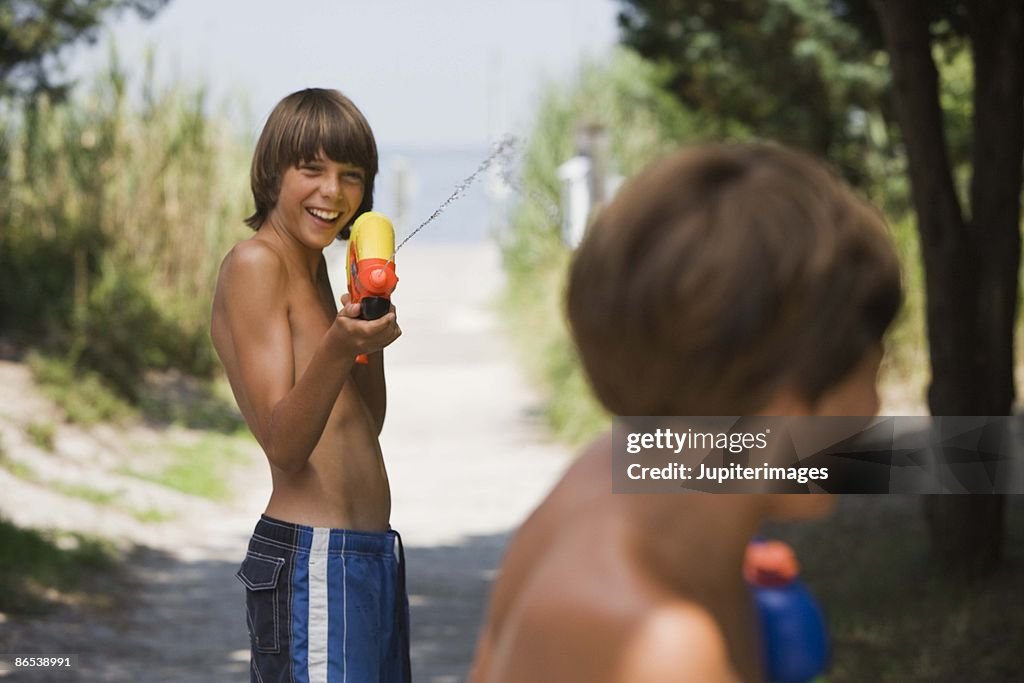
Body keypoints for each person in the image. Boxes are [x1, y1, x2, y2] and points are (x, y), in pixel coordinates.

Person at [470, 142, 902, 682]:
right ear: (785, 405)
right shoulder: (665, 649)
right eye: (872, 375)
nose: (876, 410)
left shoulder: (603, 473)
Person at [210, 88, 408, 683]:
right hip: (313, 561)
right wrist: (338, 347)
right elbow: (284, 444)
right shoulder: (255, 264)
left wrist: (366, 329)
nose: (333, 192)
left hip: (368, 558)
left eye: (352, 175)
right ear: (272, 173)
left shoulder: (318, 268)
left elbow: (363, 423)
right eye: (312, 169)